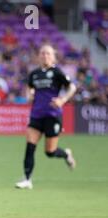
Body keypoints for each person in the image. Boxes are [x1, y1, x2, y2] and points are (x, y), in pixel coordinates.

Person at [16, 45, 77, 189]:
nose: (45, 56)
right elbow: (29, 87)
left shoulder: (57, 73)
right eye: (42, 53)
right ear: (38, 56)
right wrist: (30, 94)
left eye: (48, 53)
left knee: (50, 152)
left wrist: (62, 100)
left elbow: (72, 87)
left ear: (53, 56)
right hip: (36, 115)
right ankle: (27, 179)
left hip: (53, 115)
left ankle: (66, 154)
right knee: (30, 147)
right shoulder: (34, 74)